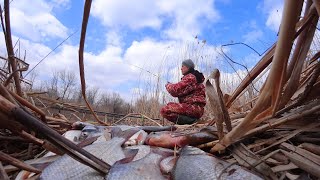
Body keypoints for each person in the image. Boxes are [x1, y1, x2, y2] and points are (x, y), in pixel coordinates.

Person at [160, 59, 206, 124]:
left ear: (188, 67)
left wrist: (168, 85)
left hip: (194, 108)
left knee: (165, 110)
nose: (181, 68)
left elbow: (175, 90)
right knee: (170, 105)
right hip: (194, 109)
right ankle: (190, 122)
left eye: (182, 66)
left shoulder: (191, 77)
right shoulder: (194, 78)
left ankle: (194, 122)